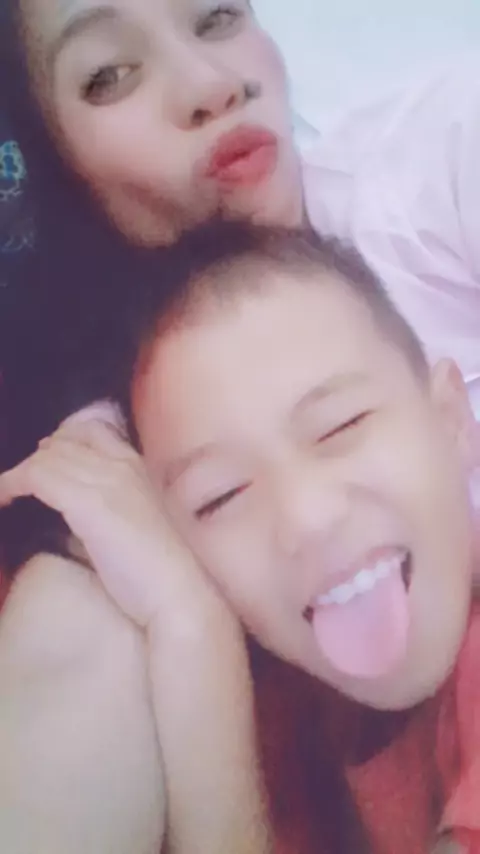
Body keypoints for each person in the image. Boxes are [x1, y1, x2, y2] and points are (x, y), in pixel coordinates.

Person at [3, 219, 480, 853]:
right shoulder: (286, 700)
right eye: (220, 496)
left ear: (452, 419)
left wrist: (193, 632)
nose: (307, 517)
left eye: (340, 426)